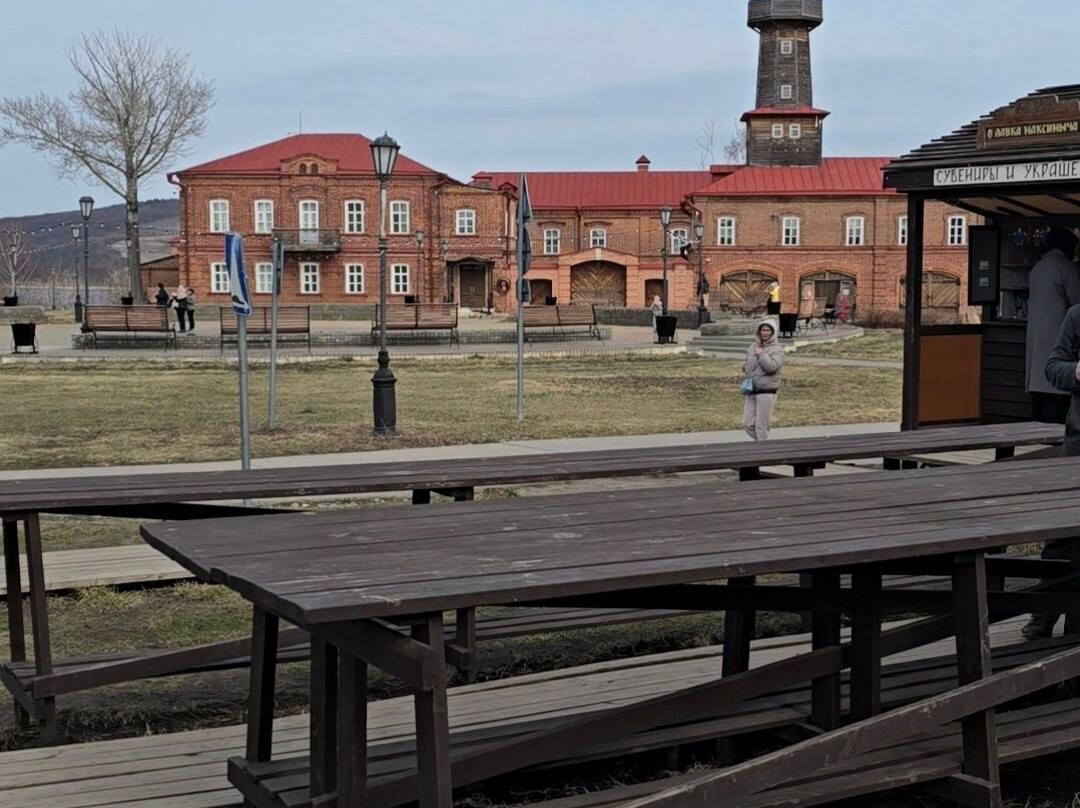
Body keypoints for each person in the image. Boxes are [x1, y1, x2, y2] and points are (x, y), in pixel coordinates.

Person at [1027, 300, 1080, 639]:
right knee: (1061, 535)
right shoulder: (1077, 316)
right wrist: (1076, 372)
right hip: (1078, 446)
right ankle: (1043, 613)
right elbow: (1052, 367)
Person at [1025, 227, 1080, 424]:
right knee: (1055, 398)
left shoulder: (1037, 268)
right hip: (1058, 334)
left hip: (1035, 338)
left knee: (1038, 389)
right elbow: (1077, 302)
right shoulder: (1066, 268)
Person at [741, 319, 783, 441]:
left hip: (767, 391)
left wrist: (762, 355)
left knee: (761, 426)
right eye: (763, 330)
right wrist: (745, 366)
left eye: (768, 330)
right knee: (747, 424)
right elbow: (747, 366)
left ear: (773, 333)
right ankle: (762, 444)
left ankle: (762, 449)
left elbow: (772, 367)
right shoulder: (752, 347)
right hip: (751, 389)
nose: (765, 333)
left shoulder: (777, 349)